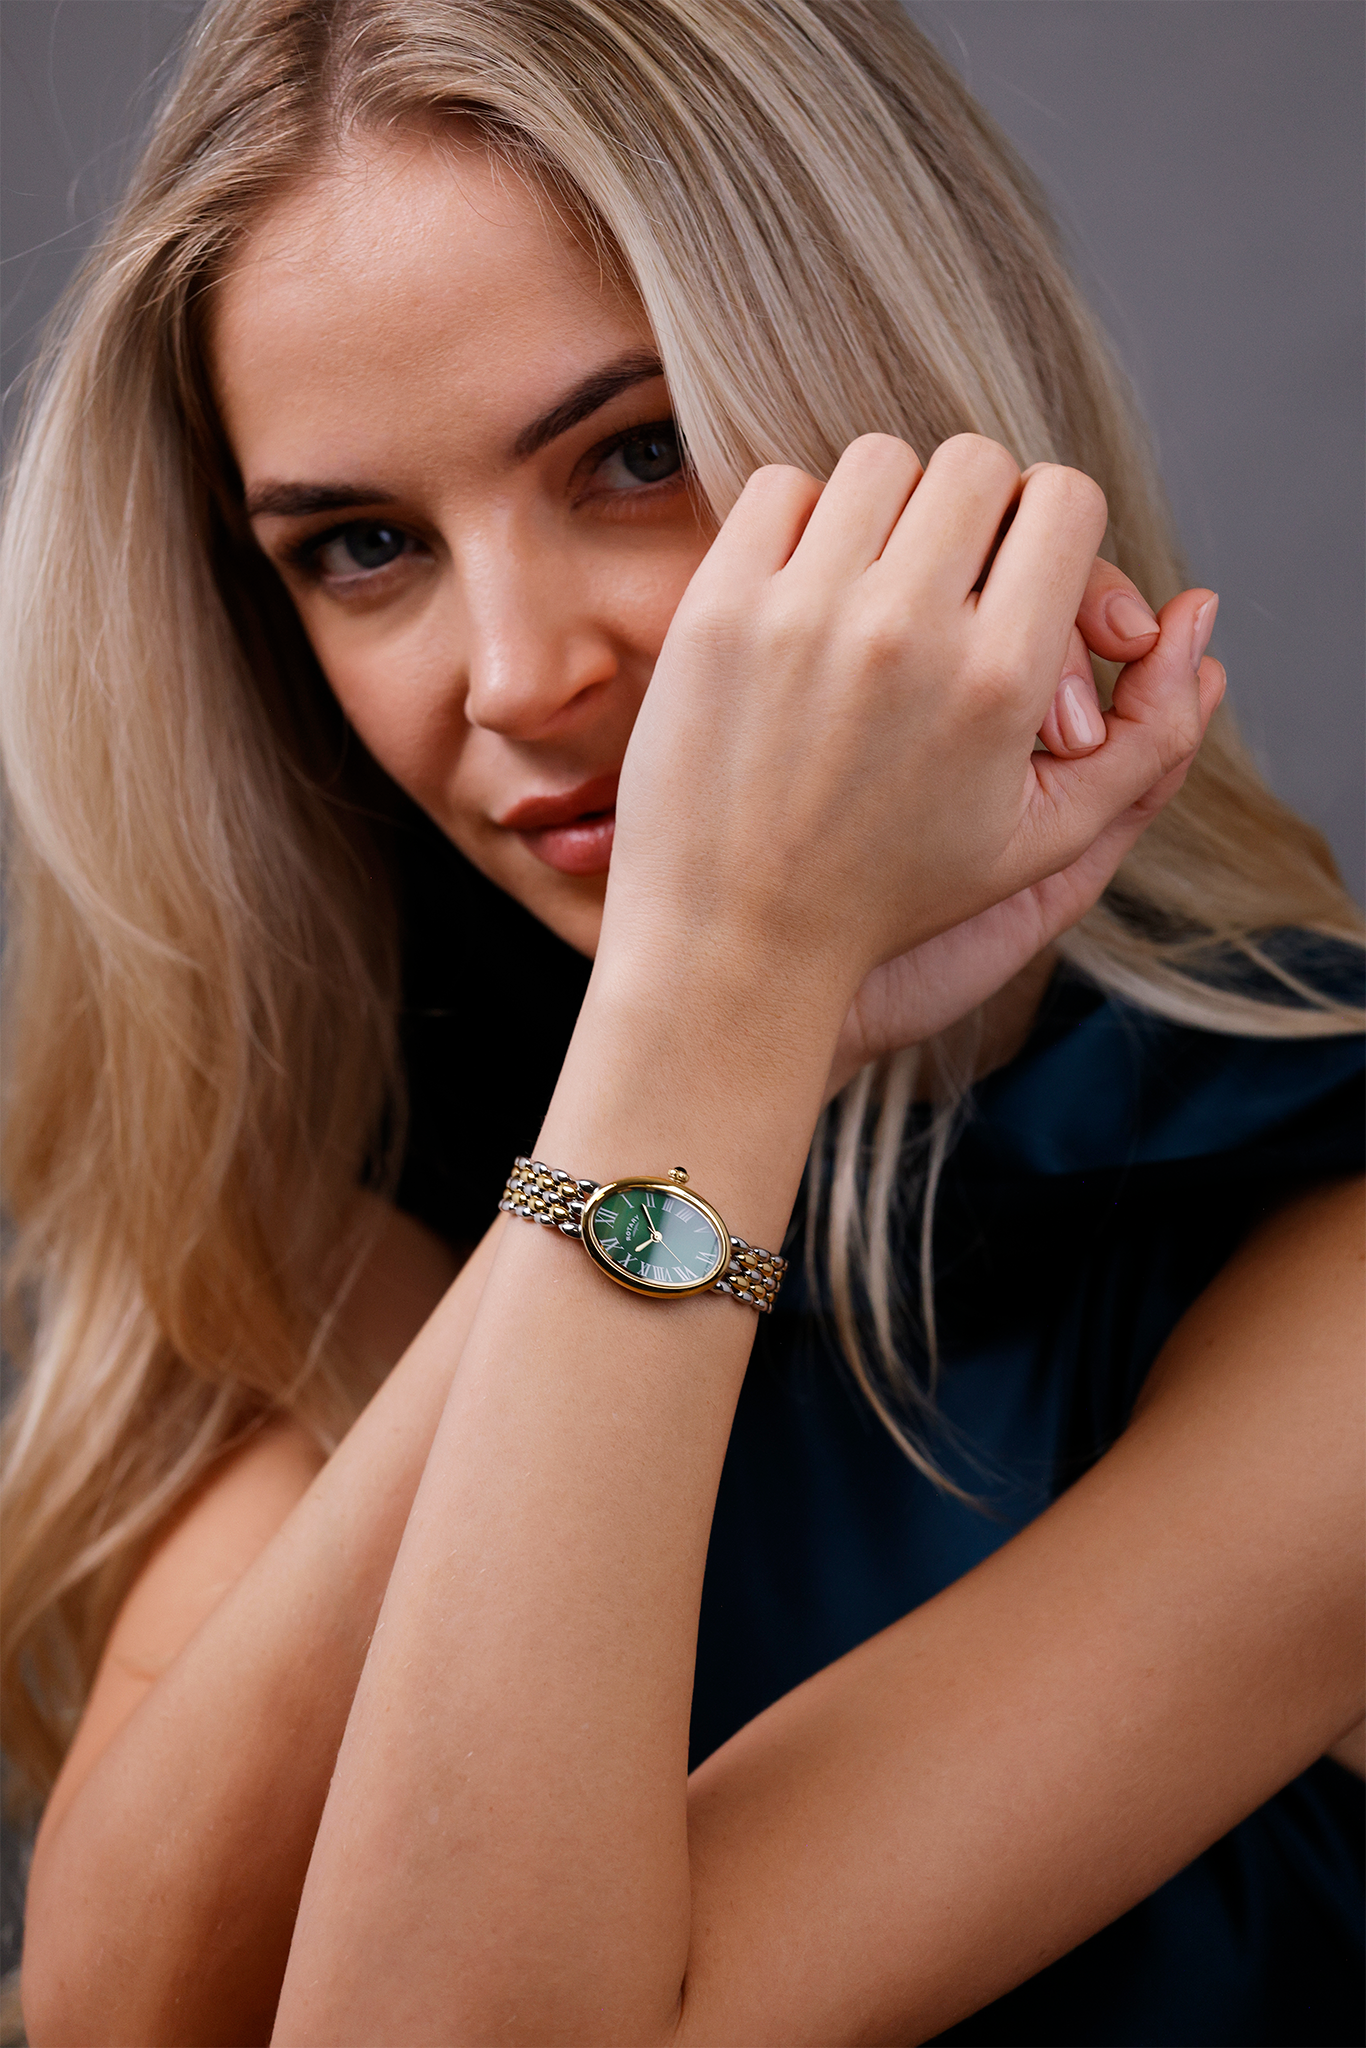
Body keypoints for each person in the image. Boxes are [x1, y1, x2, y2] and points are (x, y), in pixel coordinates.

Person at [0, 2, 1363, 2042]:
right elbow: (120, 2016)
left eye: (635, 456)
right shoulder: (359, 1161)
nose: (513, 672)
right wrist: (730, 1023)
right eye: (362, 548)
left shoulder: (1318, 1242)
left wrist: (720, 1000)